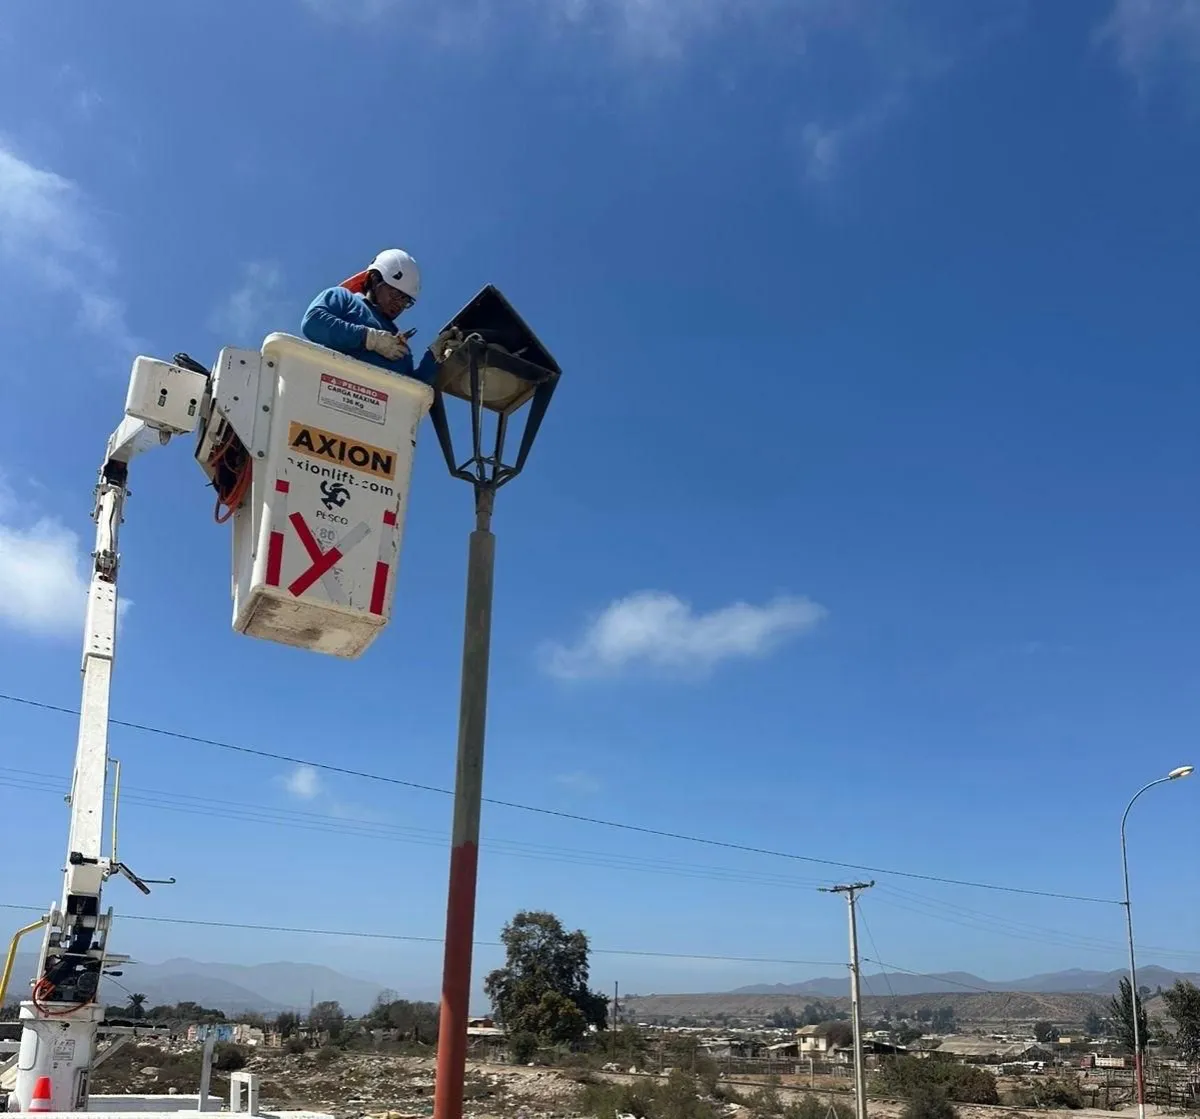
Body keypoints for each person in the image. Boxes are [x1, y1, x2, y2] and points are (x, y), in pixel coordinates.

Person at [301, 248, 439, 383]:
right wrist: (369, 338)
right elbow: (313, 323)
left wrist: (434, 356)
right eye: (395, 294)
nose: (399, 304)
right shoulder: (344, 298)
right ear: (374, 279)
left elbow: (412, 394)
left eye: (406, 300)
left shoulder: (400, 348)